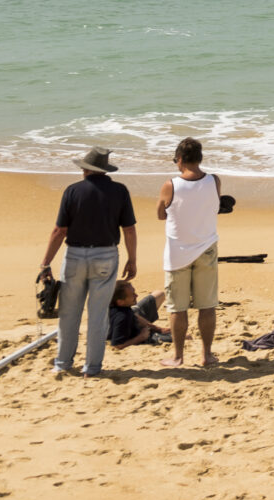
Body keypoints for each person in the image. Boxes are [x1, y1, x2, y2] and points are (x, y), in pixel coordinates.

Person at [39, 146, 137, 378]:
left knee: (69, 314)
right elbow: (129, 229)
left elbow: (59, 231)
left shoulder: (73, 191)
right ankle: (92, 367)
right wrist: (132, 259)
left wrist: (45, 263)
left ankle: (62, 363)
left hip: (74, 255)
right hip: (105, 255)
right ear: (104, 169)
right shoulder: (119, 191)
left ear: (85, 169)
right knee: (98, 314)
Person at [158, 136, 223, 368]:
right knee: (207, 305)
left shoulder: (171, 185)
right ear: (200, 158)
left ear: (181, 159)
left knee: (178, 307)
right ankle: (206, 354)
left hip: (178, 252)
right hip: (206, 248)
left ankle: (178, 356)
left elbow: (160, 213)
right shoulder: (214, 181)